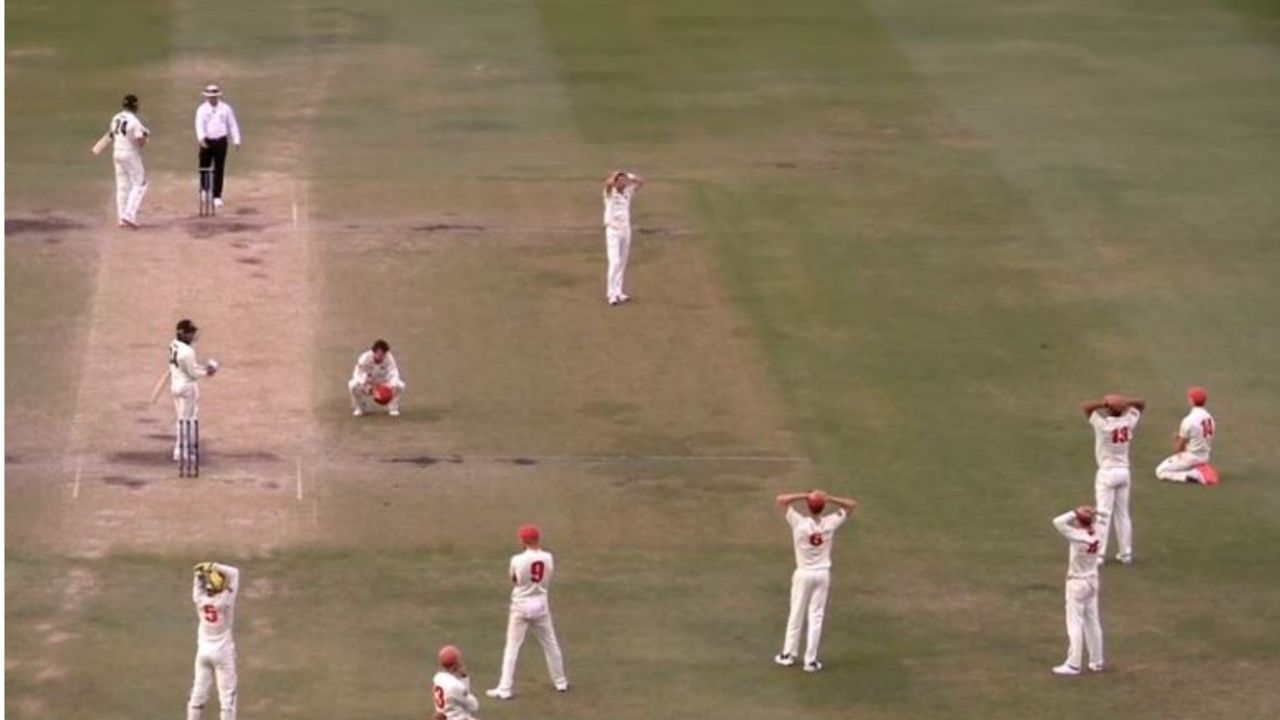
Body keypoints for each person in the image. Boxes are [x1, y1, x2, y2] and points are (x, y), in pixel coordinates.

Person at [773, 489, 857, 672]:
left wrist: (806, 495)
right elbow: (851, 505)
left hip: (803, 573)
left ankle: (788, 654)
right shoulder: (830, 523)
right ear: (822, 507)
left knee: (796, 613)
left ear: (808, 507)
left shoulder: (799, 523)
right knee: (816, 616)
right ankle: (810, 661)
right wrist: (828, 498)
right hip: (822, 574)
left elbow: (781, 499)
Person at [486, 524, 569, 700]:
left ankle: (505, 688)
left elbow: (514, 579)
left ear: (524, 541)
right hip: (540, 604)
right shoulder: (548, 557)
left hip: (521, 606)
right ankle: (560, 681)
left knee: (512, 647)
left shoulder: (517, 559)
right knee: (550, 643)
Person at [1081, 393, 1144, 565]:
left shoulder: (1103, 425)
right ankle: (1126, 554)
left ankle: (1099, 555)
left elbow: (1086, 407)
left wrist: (1104, 402)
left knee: (1103, 514)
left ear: (1108, 410)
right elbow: (1141, 404)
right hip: (1124, 472)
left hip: (1107, 472)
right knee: (1123, 514)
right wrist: (1126, 402)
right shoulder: (1127, 422)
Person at [1051, 506, 1104, 675]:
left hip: (1077, 582)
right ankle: (1097, 661)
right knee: (1093, 621)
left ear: (1079, 521)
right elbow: (1104, 515)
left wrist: (1076, 511)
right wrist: (1094, 512)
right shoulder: (1098, 532)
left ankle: (1073, 664)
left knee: (1075, 623)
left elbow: (1057, 521)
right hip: (1093, 580)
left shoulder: (1077, 535)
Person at [187, 561, 241, 720]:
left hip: (203, 653)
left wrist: (199, 574)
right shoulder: (225, 600)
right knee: (227, 699)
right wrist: (213, 566)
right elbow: (234, 573)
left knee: (198, 693)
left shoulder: (200, 600)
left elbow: (198, 586)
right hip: (223, 654)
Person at [169, 320, 218, 462]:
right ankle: (181, 451)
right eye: (190, 333)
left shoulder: (173, 345)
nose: (193, 336)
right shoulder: (188, 352)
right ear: (183, 334)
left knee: (182, 418)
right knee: (186, 420)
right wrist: (207, 372)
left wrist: (203, 368)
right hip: (187, 389)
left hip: (175, 386)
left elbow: (190, 367)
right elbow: (192, 373)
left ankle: (183, 448)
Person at [1156, 386, 1219, 485]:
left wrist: (1178, 440)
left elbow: (1178, 449)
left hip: (1191, 457)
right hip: (1204, 456)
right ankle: (1199, 468)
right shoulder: (1210, 418)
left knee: (1160, 471)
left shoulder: (1189, 420)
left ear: (1191, 401)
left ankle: (1192, 475)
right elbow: (1200, 436)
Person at [194, 84, 242, 209]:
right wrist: (201, 139)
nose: (212, 99)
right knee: (204, 166)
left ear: (218, 96)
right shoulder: (202, 109)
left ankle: (217, 196)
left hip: (221, 141)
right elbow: (199, 125)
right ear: (207, 97)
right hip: (207, 141)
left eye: (214, 96)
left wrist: (236, 139)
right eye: (210, 97)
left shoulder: (226, 108)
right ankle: (204, 190)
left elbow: (232, 124)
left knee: (219, 168)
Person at [602, 170, 644, 306]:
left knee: (622, 263)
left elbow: (641, 181)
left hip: (626, 230)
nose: (622, 183)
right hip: (613, 231)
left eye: (624, 181)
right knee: (614, 262)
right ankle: (611, 294)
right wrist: (617, 175)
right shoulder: (609, 192)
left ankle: (619, 292)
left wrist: (628, 176)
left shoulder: (628, 192)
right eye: (619, 181)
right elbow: (608, 183)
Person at [108, 93, 150, 227]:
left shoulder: (116, 118)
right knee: (140, 183)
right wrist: (145, 136)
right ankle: (129, 215)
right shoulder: (134, 121)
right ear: (135, 106)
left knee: (122, 185)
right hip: (129, 154)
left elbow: (113, 134)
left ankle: (121, 217)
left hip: (117, 153)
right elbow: (140, 142)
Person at [349, 339, 405, 417]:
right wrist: (364, 384)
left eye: (383, 354)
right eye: (379, 353)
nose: (381, 356)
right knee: (352, 385)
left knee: (400, 385)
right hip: (368, 383)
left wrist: (388, 386)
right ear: (374, 352)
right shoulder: (364, 358)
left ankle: (393, 407)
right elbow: (357, 374)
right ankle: (360, 407)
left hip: (383, 383)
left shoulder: (389, 358)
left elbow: (394, 374)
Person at [433, 645, 482, 720]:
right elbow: (474, 706)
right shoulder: (455, 686)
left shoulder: (437, 678)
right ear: (455, 665)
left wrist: (463, 677)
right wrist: (464, 679)